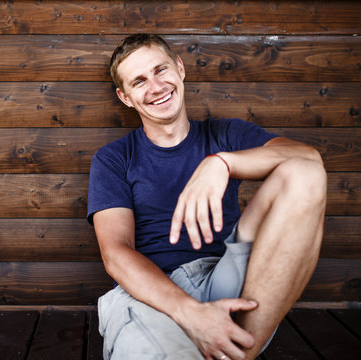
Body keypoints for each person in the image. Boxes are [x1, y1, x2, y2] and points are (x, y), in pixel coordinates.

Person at [87, 34, 327, 360]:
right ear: (126, 97)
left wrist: (224, 162)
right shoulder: (114, 158)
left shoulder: (223, 135)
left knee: (304, 174)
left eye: (161, 70)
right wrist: (191, 313)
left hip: (224, 277)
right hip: (151, 293)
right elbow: (116, 253)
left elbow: (308, 160)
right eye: (140, 81)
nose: (156, 86)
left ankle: (238, 350)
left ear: (180, 69)